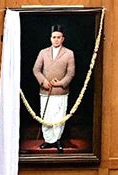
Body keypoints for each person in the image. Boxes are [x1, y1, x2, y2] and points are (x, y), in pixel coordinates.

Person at [33, 25, 75, 153]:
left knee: (59, 117)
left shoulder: (69, 53)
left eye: (58, 37)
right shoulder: (43, 52)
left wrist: (60, 83)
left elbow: (71, 73)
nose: (56, 40)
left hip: (60, 92)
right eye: (54, 37)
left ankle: (57, 140)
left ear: (63, 39)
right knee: (46, 116)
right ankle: (48, 140)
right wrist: (43, 81)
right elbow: (36, 70)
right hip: (45, 92)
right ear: (50, 38)